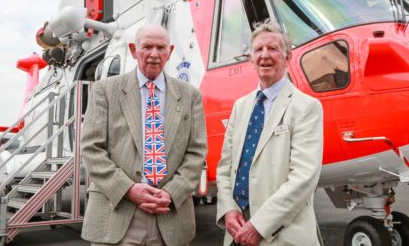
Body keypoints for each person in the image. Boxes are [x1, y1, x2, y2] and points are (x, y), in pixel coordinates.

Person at [81, 24, 207, 246]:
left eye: (161, 48)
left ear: (170, 52)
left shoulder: (190, 96)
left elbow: (196, 152)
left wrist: (171, 192)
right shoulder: (104, 90)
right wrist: (128, 189)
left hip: (170, 215)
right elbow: (92, 148)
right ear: (133, 50)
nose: (154, 54)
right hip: (118, 213)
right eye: (147, 47)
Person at [216, 20, 324, 246]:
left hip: (281, 237)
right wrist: (227, 210)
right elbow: (225, 168)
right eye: (258, 49)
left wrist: (259, 225)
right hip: (237, 234)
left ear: (287, 58)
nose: (265, 55)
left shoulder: (306, 107)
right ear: (251, 60)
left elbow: (303, 178)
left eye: (273, 49)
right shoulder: (240, 107)